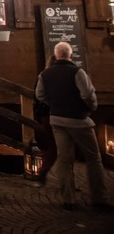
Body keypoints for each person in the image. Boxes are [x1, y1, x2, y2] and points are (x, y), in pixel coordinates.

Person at [35, 41, 110, 211]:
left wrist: (54, 104)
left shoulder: (45, 74)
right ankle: (99, 198)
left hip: (57, 119)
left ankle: (68, 199)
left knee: (63, 159)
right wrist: (91, 107)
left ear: (56, 55)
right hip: (79, 120)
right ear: (71, 55)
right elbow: (88, 94)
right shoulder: (77, 72)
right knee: (93, 158)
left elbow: (40, 95)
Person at [32, 54, 57, 184]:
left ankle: (44, 169)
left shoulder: (43, 75)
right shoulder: (63, 76)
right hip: (60, 114)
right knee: (64, 148)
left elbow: (38, 97)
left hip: (45, 116)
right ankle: (46, 169)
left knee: (52, 145)